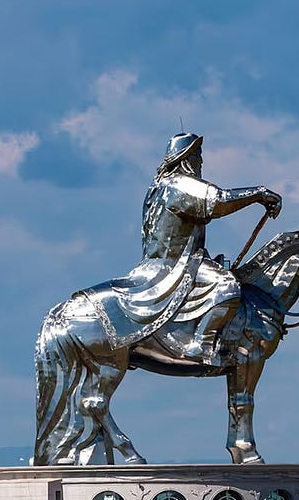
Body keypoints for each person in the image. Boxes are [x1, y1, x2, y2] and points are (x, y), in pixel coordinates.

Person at [104, 133, 281, 368]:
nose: (200, 163)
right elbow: (219, 201)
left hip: (157, 262)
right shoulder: (181, 184)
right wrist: (258, 194)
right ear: (186, 158)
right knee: (227, 285)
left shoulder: (157, 188)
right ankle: (201, 344)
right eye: (197, 157)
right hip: (177, 265)